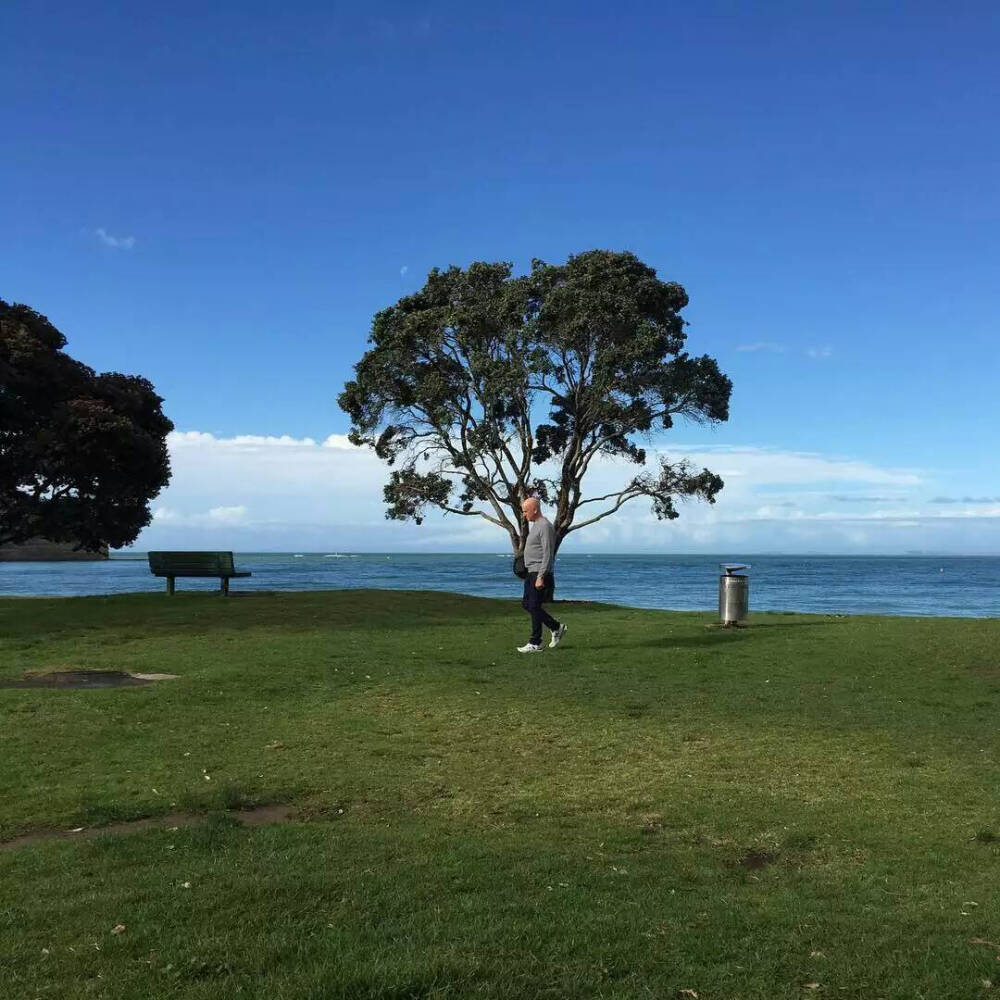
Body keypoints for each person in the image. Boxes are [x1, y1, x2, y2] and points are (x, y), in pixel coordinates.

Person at [517, 497, 568, 653]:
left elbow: (548, 553)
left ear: (535, 509)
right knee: (528, 604)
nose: (524, 515)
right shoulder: (536, 526)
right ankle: (555, 627)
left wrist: (541, 576)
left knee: (533, 605)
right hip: (531, 572)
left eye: (525, 511)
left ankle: (536, 642)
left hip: (539, 572)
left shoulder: (545, 526)